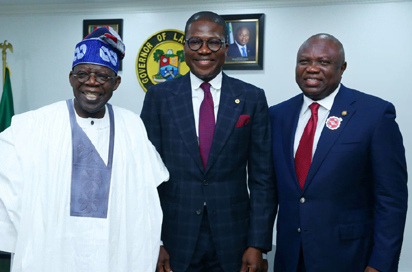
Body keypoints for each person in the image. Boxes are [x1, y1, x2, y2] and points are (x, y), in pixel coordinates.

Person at [0, 26, 169, 272]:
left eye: (102, 76)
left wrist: (157, 242)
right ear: (71, 78)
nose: (91, 82)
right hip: (52, 255)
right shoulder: (36, 125)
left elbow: (147, 196)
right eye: (82, 74)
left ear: (116, 82)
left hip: (114, 254)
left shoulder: (132, 126)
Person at [141, 11, 276, 272]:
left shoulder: (252, 97)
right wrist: (153, 240)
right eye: (195, 42)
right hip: (174, 238)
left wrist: (257, 243)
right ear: (184, 47)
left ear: (226, 47)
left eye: (213, 42)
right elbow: (147, 177)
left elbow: (262, 179)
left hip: (234, 238)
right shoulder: (159, 97)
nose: (204, 50)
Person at [269, 33, 408, 272]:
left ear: (342, 68)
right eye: (304, 61)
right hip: (290, 257)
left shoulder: (374, 114)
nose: (312, 69)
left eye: (323, 62)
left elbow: (391, 199)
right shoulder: (277, 115)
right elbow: (269, 189)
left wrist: (381, 264)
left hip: (349, 258)